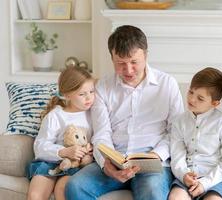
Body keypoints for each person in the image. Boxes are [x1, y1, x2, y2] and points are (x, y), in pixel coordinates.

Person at [65, 25, 184, 200]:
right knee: (75, 187)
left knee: (153, 193)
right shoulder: (102, 87)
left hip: (152, 162)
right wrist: (106, 164)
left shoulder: (167, 84)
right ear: (112, 58)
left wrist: (155, 156)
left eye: (134, 62)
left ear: (146, 55)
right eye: (120, 63)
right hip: (115, 158)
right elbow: (101, 133)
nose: (128, 70)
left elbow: (177, 131)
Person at [169, 67, 222, 200]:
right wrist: (184, 175)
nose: (192, 99)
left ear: (214, 103)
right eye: (191, 92)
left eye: (200, 98)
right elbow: (177, 155)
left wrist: (205, 183)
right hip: (187, 177)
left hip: (214, 179)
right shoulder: (179, 121)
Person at [26, 66, 95, 200]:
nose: (89, 98)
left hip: (75, 164)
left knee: (63, 191)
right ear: (67, 94)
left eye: (92, 91)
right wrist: (64, 152)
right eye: (82, 94)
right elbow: (40, 146)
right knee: (35, 195)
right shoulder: (56, 116)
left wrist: (91, 149)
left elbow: (98, 138)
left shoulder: (94, 114)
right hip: (50, 162)